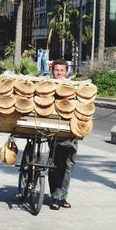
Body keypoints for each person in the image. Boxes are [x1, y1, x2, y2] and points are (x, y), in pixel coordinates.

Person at [48, 59, 78, 210]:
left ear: (67, 72)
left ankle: (63, 196)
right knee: (56, 165)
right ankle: (55, 197)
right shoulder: (47, 87)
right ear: (52, 71)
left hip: (71, 132)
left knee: (68, 165)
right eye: (56, 70)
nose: (59, 73)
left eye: (62, 70)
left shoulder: (73, 87)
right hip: (53, 131)